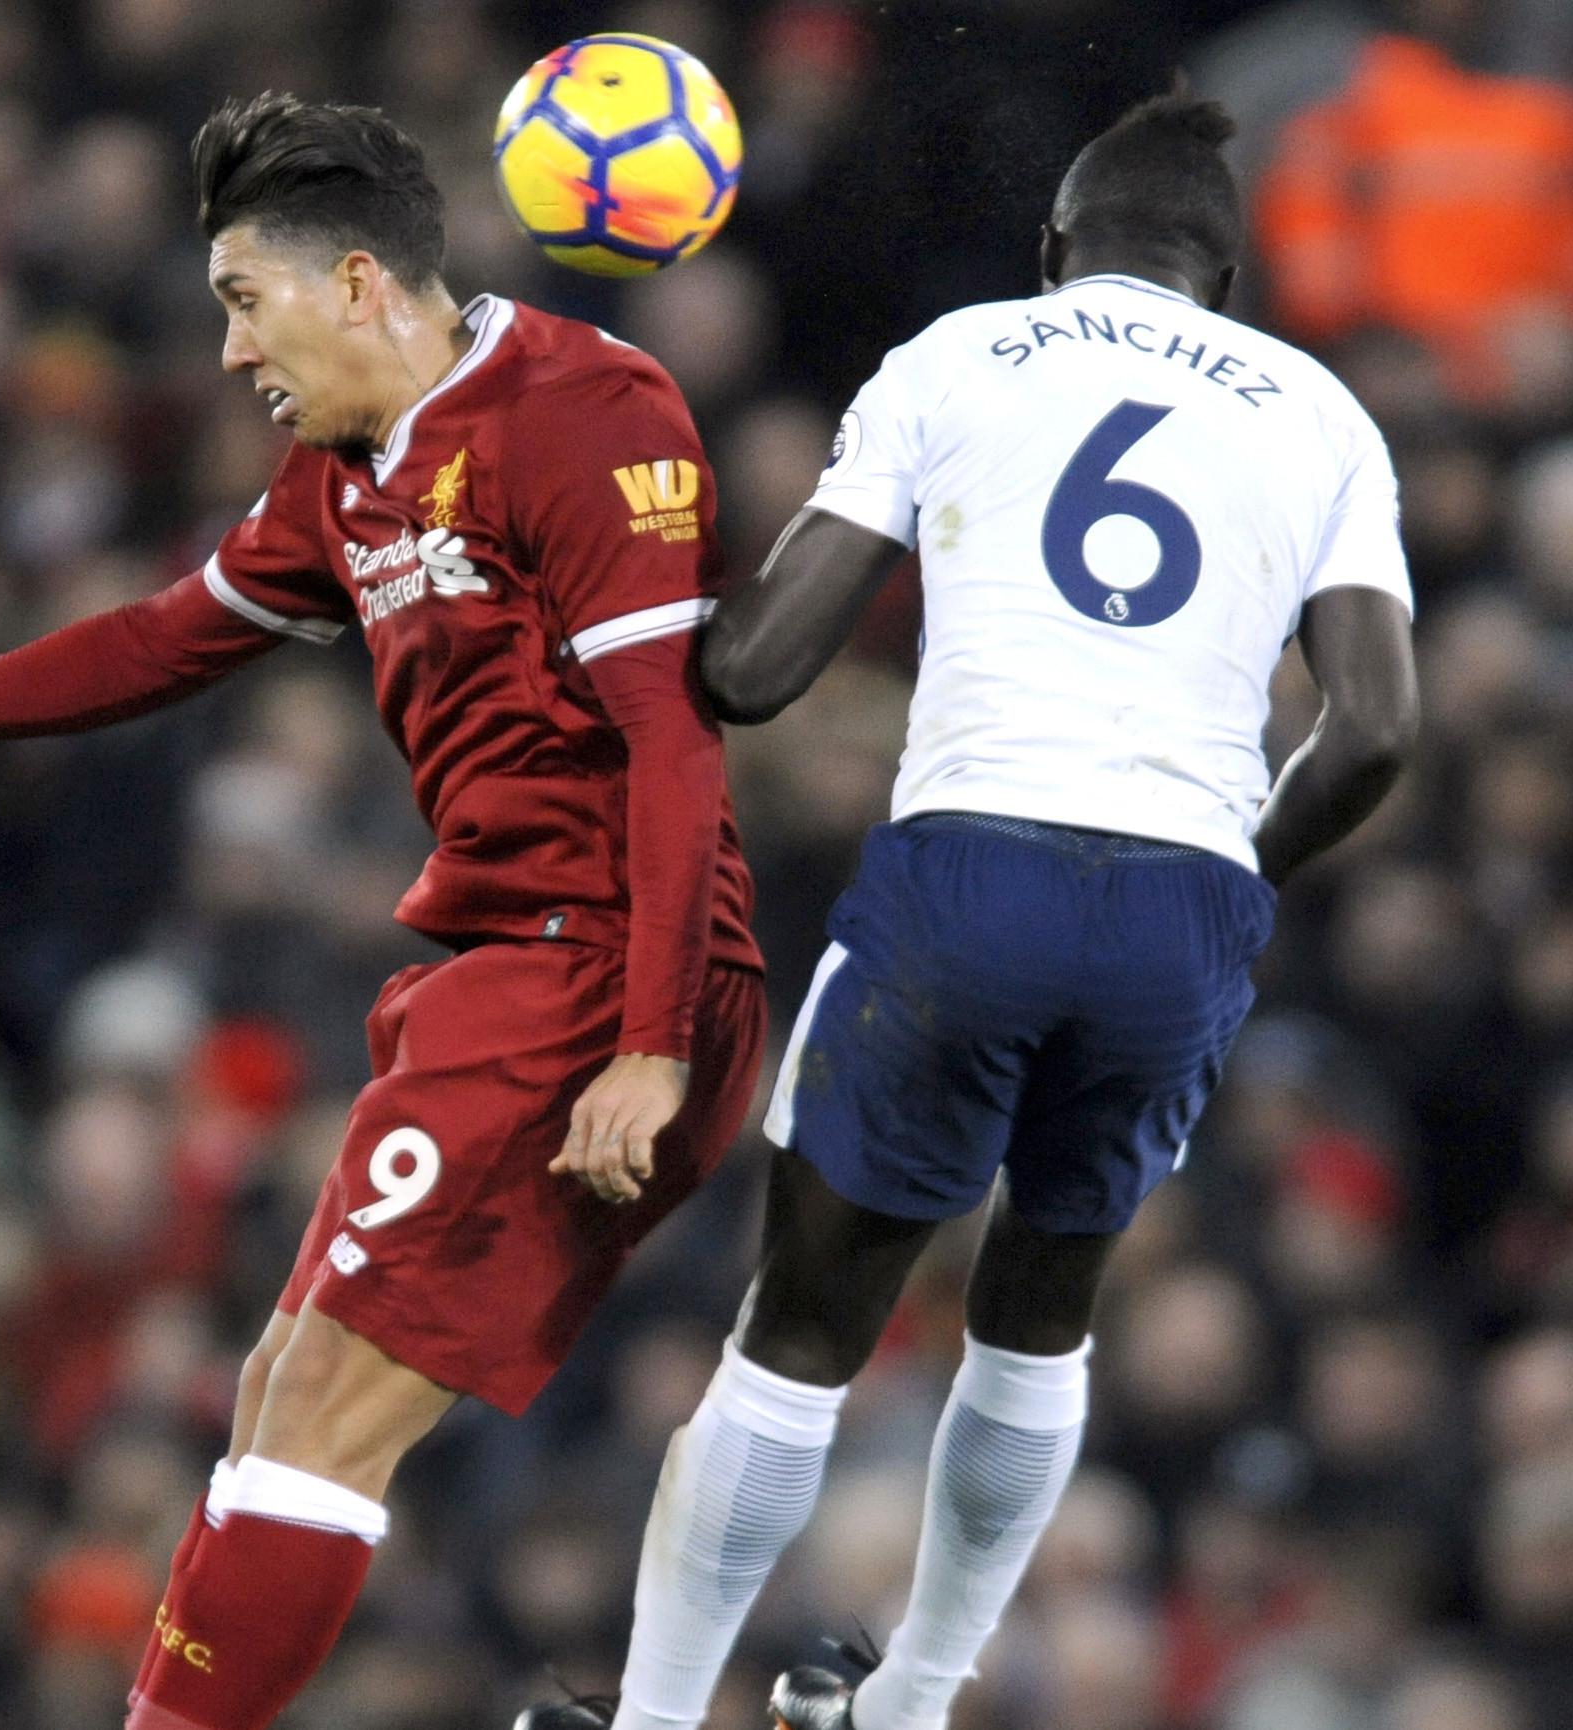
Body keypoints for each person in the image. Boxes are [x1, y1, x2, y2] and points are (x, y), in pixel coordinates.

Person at [0, 93, 769, 1730]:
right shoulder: (341, 481)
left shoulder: (585, 408)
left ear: (356, 284)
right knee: (278, 1385)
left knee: (324, 1405)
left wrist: (648, 1044)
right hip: (508, 977)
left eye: (240, 301)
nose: (224, 354)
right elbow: (147, 643)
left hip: (600, 976)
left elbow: (669, 740)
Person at [519, 92, 1418, 1730]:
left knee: (798, 1329)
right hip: (1183, 897)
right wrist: (1236, 860)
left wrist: (644, 613)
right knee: (1035, 1318)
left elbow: (761, 667)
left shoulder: (964, 355)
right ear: (1222, 280)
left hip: (972, 864)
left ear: (1055, 250)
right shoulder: (1322, 415)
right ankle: (917, 1699)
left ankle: (652, 1718)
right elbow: (1371, 727)